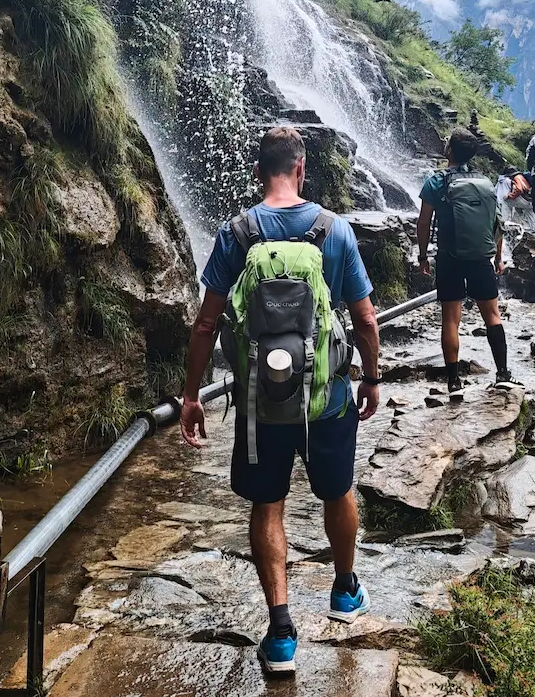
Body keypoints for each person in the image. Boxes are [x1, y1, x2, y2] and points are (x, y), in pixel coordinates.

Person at [180, 126, 381, 676]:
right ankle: (344, 590)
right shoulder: (333, 230)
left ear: (256, 171)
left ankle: (282, 631)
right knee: (338, 491)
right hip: (328, 399)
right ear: (301, 167)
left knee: (266, 505)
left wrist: (190, 395)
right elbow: (364, 319)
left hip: (259, 403)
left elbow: (206, 323)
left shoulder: (237, 232)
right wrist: (370, 379)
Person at [416, 127, 512, 391]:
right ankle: (503, 373)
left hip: (449, 256)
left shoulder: (436, 181)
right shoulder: (485, 182)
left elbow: (424, 222)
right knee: (492, 315)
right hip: (481, 256)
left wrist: (423, 255)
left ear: (449, 151)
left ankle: (453, 381)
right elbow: (497, 224)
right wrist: (498, 258)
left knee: (450, 318)